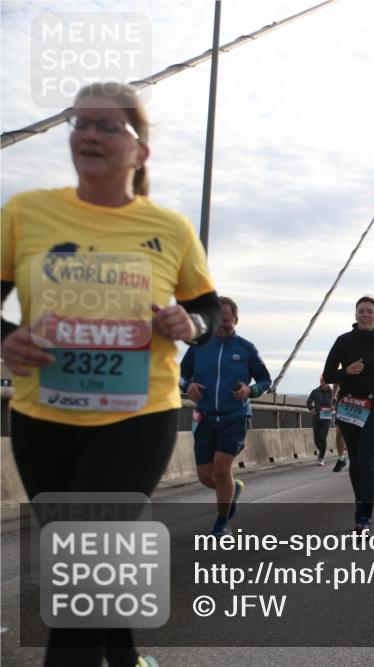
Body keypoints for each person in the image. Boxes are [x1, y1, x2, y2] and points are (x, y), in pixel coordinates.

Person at [1, 81, 219, 667]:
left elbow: (206, 308)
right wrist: (6, 339)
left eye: (106, 125)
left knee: (81, 572)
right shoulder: (25, 212)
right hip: (41, 417)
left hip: (137, 417)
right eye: (80, 122)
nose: (89, 134)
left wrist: (186, 322)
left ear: (140, 150)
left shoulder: (169, 228)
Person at [180, 296, 272, 537]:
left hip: (235, 416)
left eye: (227, 320)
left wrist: (249, 390)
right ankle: (234, 487)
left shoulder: (246, 348)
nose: (222, 324)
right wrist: (187, 386)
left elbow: (265, 380)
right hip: (205, 417)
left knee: (222, 469)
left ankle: (222, 523)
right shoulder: (199, 345)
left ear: (236, 320)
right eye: (218, 319)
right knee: (205, 476)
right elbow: (180, 375)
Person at [323, 296, 374, 532]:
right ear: (355, 315)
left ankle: (363, 517)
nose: (365, 315)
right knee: (355, 460)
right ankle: (360, 502)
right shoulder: (344, 341)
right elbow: (328, 375)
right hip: (349, 406)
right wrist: (347, 371)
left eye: (369, 311)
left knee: (366, 459)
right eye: (361, 311)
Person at [306, 375, 336, 466]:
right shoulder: (315, 392)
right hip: (317, 418)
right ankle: (322, 451)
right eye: (322, 380)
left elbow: (337, 403)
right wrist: (311, 409)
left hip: (327, 418)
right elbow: (308, 403)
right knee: (316, 439)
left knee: (323, 436)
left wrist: (334, 408)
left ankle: (321, 458)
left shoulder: (333, 393)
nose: (323, 382)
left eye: (325, 380)